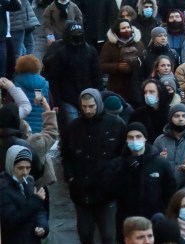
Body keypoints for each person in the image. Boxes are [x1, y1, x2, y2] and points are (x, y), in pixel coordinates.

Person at [61, 88, 125, 244]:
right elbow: (66, 155)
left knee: (108, 235)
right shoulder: (73, 127)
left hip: (107, 190)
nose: (88, 110)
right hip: (81, 190)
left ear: (98, 104)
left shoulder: (116, 125)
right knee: (85, 233)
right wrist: (70, 177)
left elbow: (123, 154)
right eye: (84, 107)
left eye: (91, 106)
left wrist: (113, 175)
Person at [0, 145, 48, 244]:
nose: (25, 172)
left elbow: (39, 210)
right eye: (20, 168)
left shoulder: (29, 182)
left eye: (28, 167)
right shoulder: (3, 188)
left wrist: (42, 226)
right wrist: (36, 200)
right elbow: (10, 220)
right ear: (10, 165)